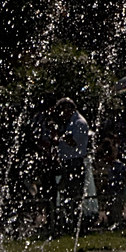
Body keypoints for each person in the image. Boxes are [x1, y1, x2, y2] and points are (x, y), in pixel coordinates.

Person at [49, 98, 90, 230]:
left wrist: (61, 134)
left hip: (75, 162)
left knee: (75, 193)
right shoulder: (69, 123)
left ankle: (78, 223)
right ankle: (68, 221)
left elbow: (74, 142)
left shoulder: (79, 123)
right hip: (67, 162)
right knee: (67, 193)